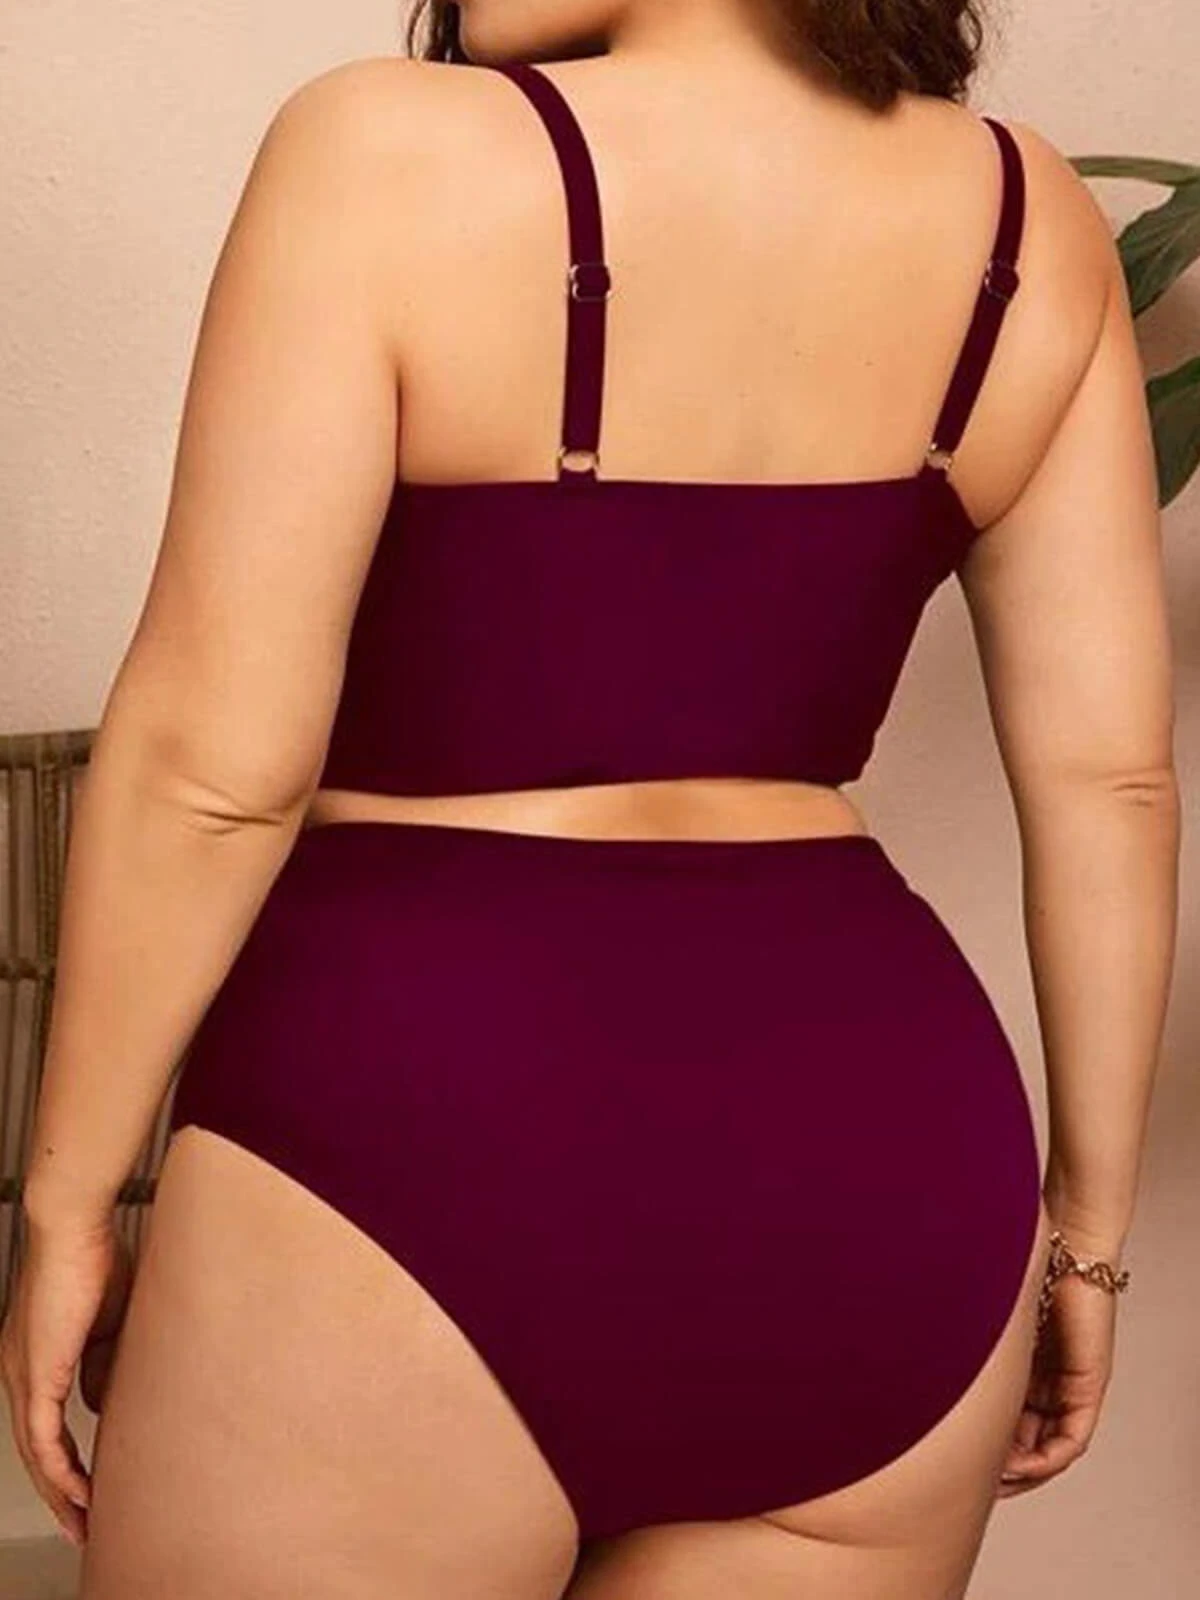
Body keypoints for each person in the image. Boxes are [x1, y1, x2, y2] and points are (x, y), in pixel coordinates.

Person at [1, 2, 1178, 1596]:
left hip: (417, 1126)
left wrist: (65, 1202)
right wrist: (1087, 1241)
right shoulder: (1032, 218)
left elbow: (215, 771)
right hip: (881, 1182)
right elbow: (1112, 783)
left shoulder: (380, 153)